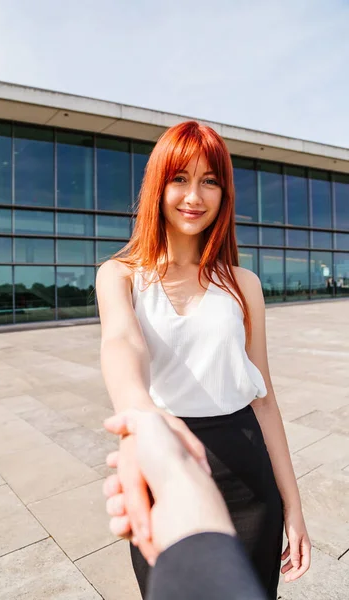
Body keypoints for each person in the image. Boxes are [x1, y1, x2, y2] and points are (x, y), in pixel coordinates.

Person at [96, 120, 311, 600]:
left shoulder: (243, 284)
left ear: (224, 193)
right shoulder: (120, 275)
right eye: (180, 178)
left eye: (209, 180)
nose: (194, 195)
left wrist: (293, 505)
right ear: (159, 185)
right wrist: (143, 419)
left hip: (249, 479)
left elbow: (265, 401)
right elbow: (121, 344)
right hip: (166, 463)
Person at [103, 409, 268, 600]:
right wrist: (137, 417)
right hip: (162, 455)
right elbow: (131, 394)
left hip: (251, 472)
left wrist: (293, 506)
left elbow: (266, 405)